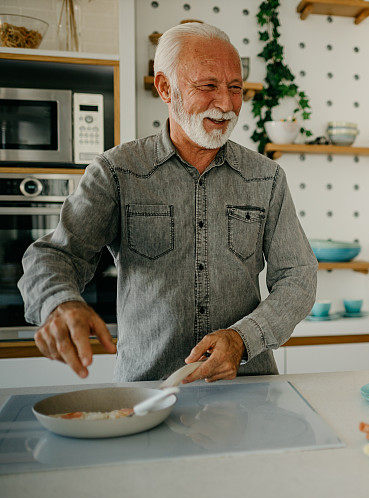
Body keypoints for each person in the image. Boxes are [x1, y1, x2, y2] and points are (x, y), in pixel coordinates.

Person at [18, 23, 317, 383]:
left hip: (248, 389)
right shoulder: (118, 171)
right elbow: (55, 255)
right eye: (208, 86)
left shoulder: (266, 177)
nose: (226, 103)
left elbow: (298, 277)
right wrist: (59, 303)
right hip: (146, 391)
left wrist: (243, 338)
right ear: (164, 87)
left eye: (235, 88)